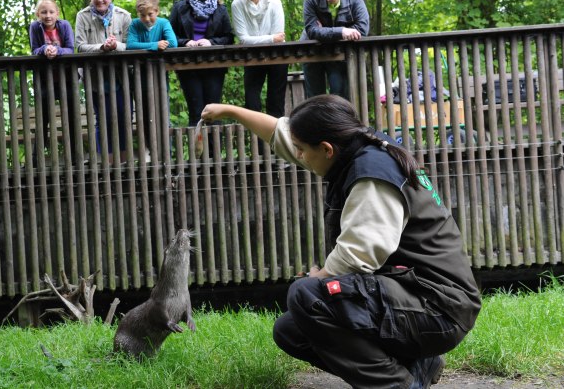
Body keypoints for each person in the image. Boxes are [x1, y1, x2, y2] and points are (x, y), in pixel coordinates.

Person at [200, 95, 481, 389]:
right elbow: (283, 134)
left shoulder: (371, 176)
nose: (298, 155)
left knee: (306, 296)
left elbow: (358, 254)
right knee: (292, 329)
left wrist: (317, 278)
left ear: (326, 149)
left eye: (302, 151)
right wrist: (230, 111)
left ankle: (397, 385)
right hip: (412, 295)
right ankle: (418, 364)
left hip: (438, 309)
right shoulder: (355, 144)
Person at [74, 0, 132, 163]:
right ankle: (107, 164)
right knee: (103, 120)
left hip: (121, 76)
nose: (100, 0)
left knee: (124, 118)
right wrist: (102, 47)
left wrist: (116, 46)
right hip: (95, 77)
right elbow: (80, 46)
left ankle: (123, 163)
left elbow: (131, 44)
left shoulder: (123, 16)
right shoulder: (82, 16)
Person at [169, 0, 234, 127]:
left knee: (214, 112)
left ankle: (214, 152)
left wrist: (211, 42)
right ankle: (197, 152)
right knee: (196, 112)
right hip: (188, 67)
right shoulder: (180, 7)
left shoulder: (221, 9)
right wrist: (185, 42)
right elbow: (169, 35)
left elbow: (229, 37)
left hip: (214, 67)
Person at [301, 0, 369, 100]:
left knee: (340, 95)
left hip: (340, 52)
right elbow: (312, 30)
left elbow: (362, 28)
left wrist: (323, 32)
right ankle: (317, 121)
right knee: (315, 99)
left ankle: (340, 121)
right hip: (313, 52)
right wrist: (343, 31)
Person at [231, 0, 287, 118]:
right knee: (252, 101)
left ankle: (276, 139)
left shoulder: (275, 2)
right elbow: (243, 39)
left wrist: (269, 39)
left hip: (278, 55)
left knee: (276, 102)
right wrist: (270, 38)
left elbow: (279, 36)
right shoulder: (237, 5)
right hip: (251, 56)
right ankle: (257, 141)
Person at [127, 0, 178, 155]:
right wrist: (154, 45)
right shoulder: (135, 24)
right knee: (144, 117)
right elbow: (130, 45)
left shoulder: (163, 23)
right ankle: (149, 151)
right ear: (138, 14)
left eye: (150, 14)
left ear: (157, 11)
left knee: (164, 115)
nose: (147, 18)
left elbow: (173, 43)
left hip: (159, 78)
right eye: (143, 15)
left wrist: (160, 45)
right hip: (140, 79)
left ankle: (167, 152)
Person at [28, 0, 76, 166]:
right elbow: (34, 50)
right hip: (44, 80)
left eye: (51, 12)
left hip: (66, 79)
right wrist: (44, 50)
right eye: (43, 12)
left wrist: (56, 50)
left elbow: (70, 49)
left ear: (57, 13)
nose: (47, 15)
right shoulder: (34, 27)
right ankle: (36, 160)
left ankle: (74, 158)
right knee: (43, 120)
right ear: (37, 14)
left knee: (71, 118)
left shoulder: (65, 26)